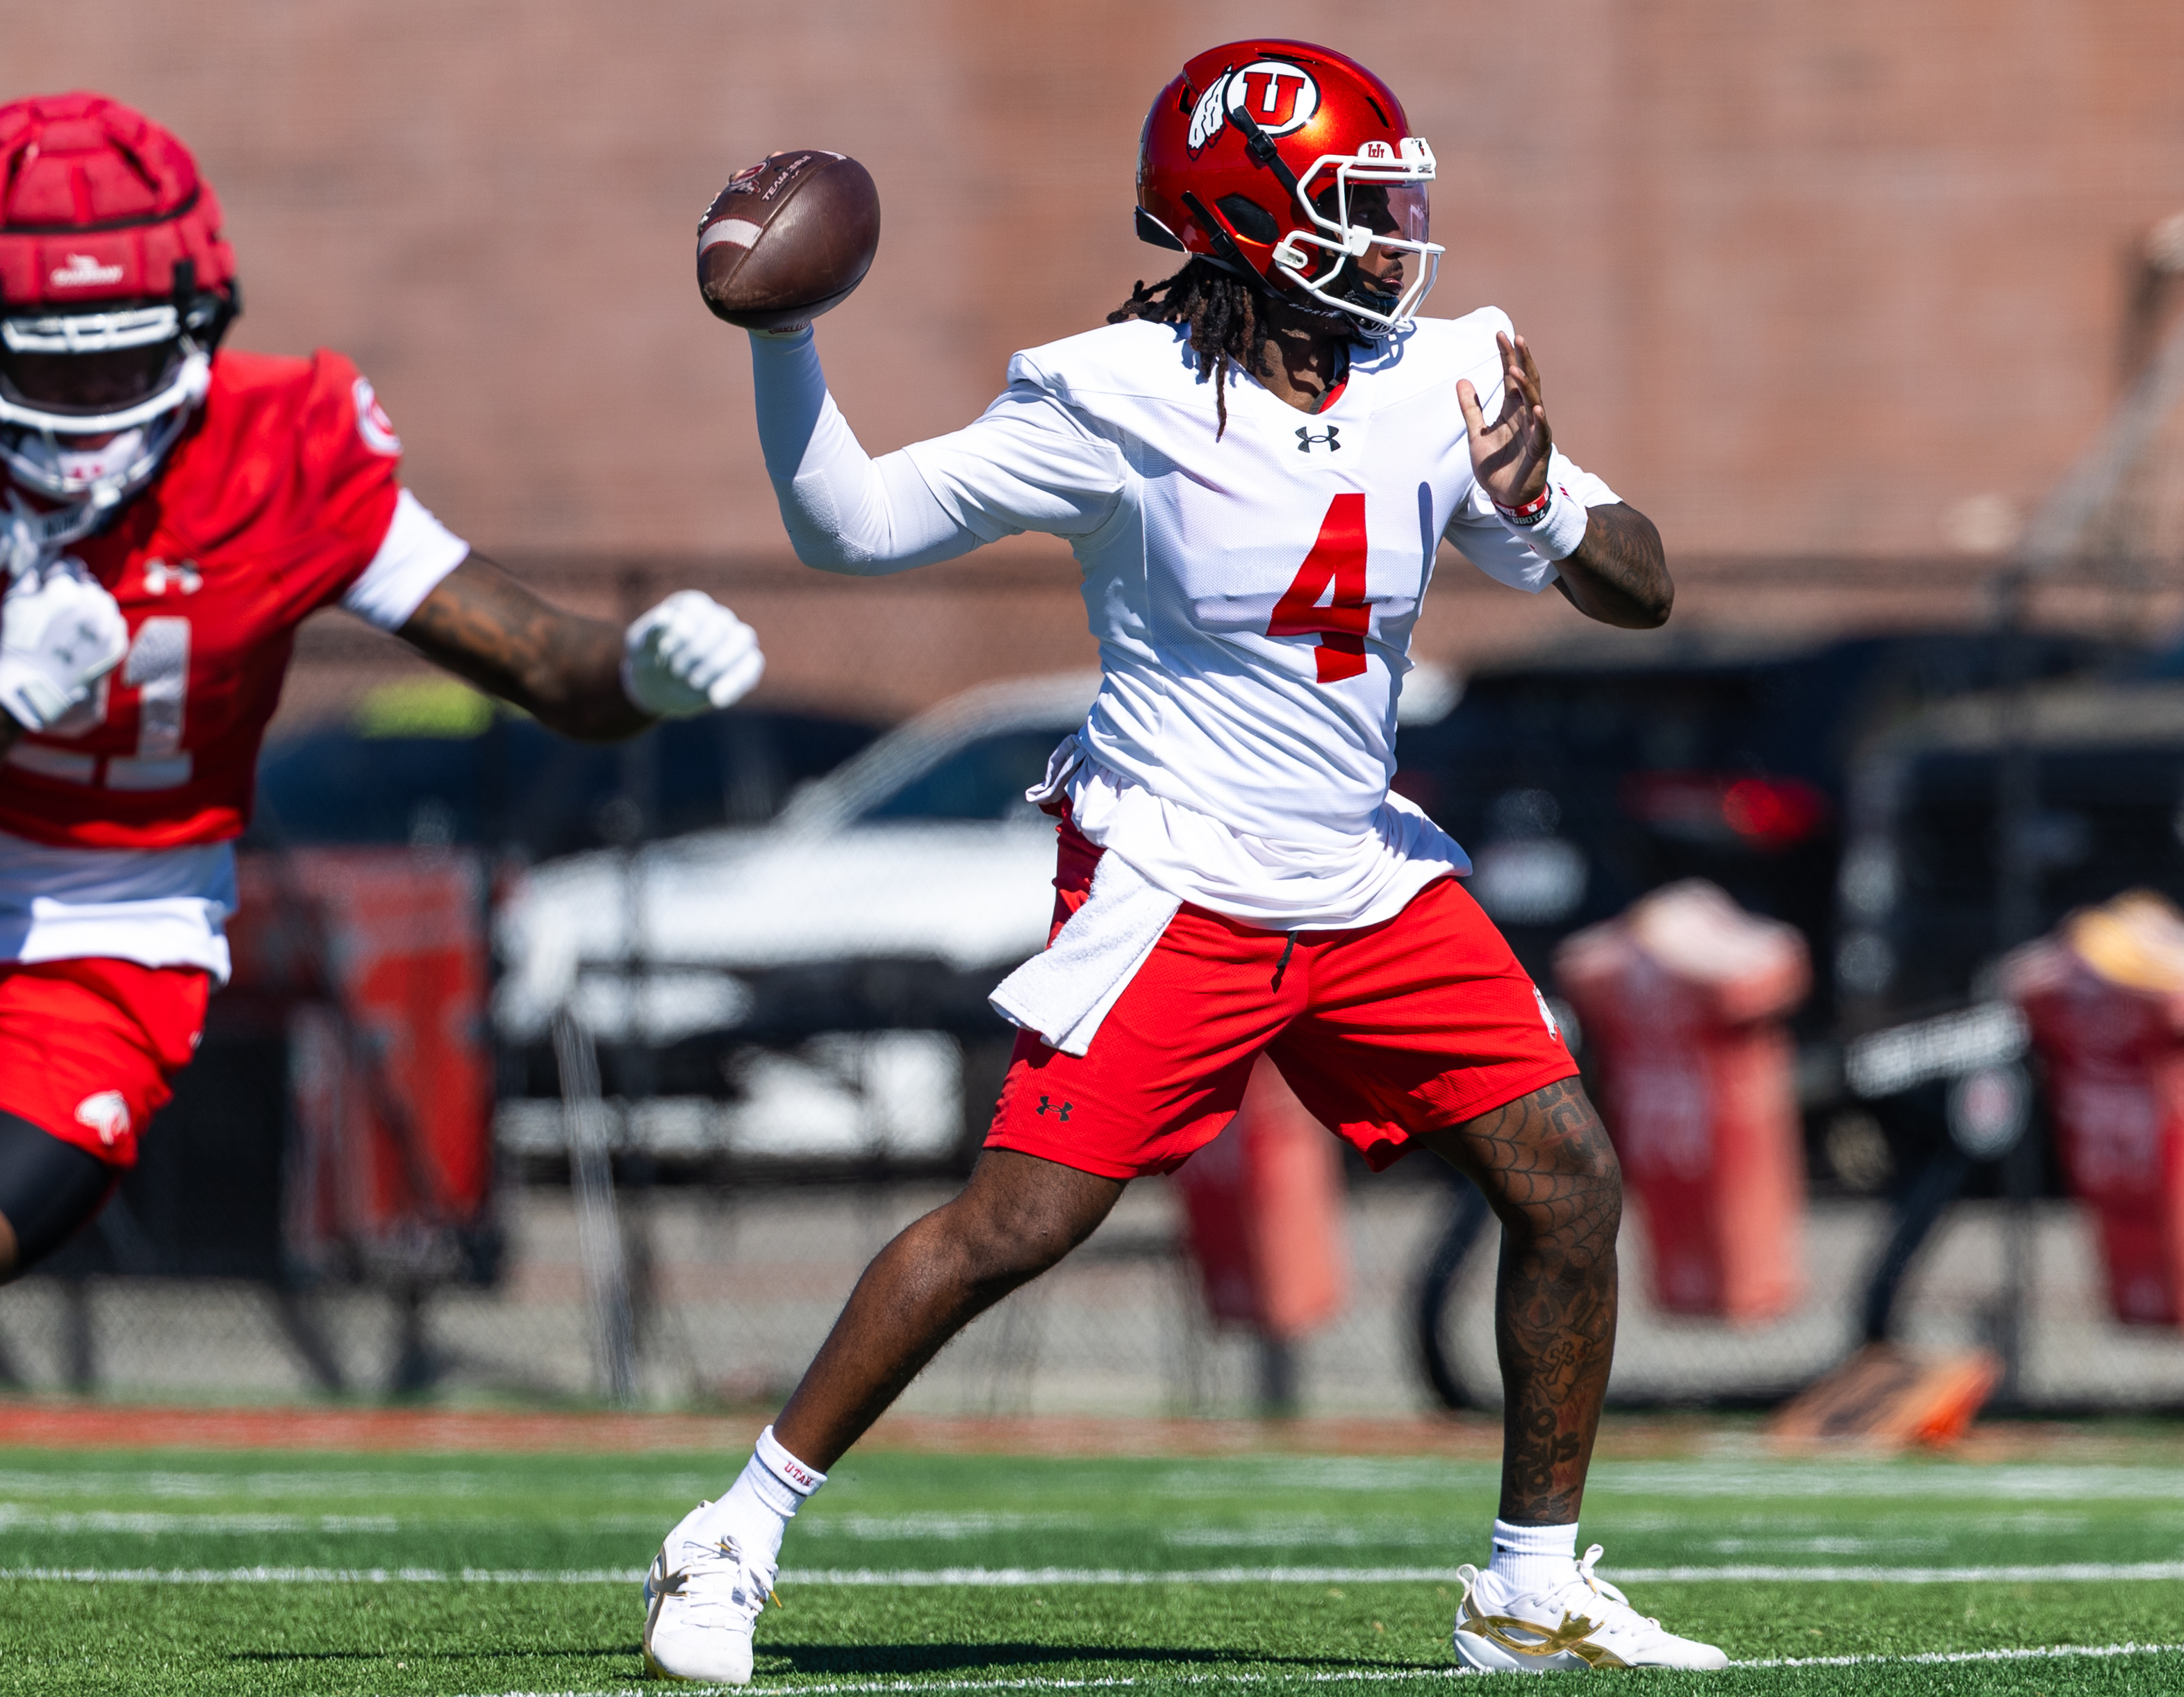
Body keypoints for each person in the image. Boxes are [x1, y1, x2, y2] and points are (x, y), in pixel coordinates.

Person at [642, 39, 1723, 1680]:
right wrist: (783, 340)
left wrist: (1553, 511)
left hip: (1362, 875)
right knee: (1014, 1223)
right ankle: (733, 1529)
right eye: (1358, 206)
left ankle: (1527, 1585)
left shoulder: (1443, 372)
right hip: (1177, 872)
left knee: (1565, 1179)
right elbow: (847, 525)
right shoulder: (1111, 396)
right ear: (1246, 219)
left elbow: (1642, 591)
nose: (1397, 238)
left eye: (1397, 203)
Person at [0, 93, 766, 1281]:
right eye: (51, 368)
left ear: (199, 327)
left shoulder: (282, 454)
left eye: (124, 362)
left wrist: (637, 672)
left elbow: (537, 659)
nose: (95, 409)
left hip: (111, 927)